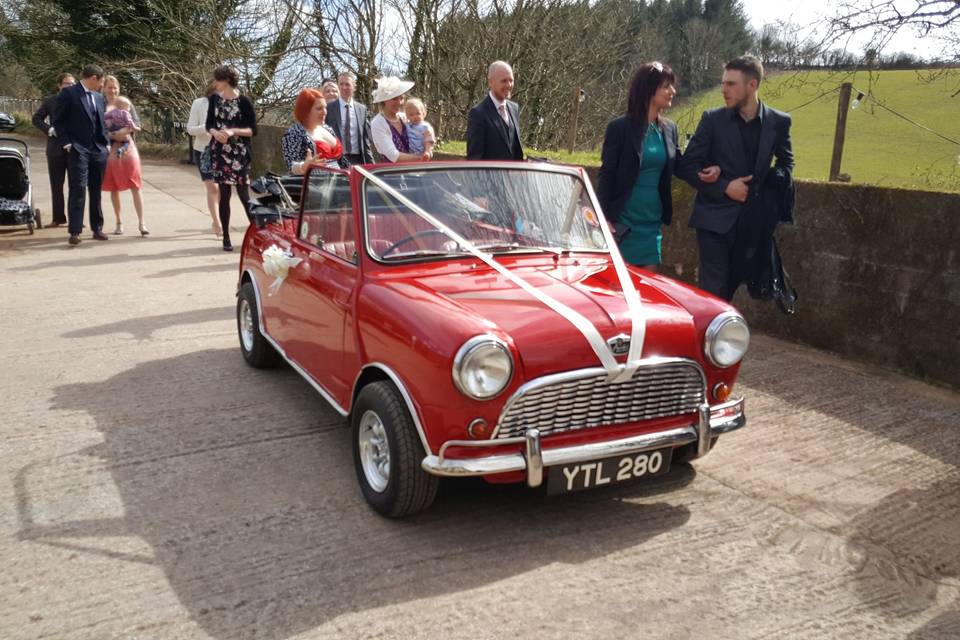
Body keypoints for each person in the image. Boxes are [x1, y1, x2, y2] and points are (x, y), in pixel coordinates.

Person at [676, 55, 794, 301]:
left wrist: (771, 181)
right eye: (723, 83)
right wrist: (724, 186)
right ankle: (708, 339)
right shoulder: (712, 119)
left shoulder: (779, 122)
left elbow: (786, 162)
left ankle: (723, 338)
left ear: (752, 85)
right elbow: (687, 166)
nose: (724, 90)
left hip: (754, 223)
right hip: (714, 220)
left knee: (740, 291)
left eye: (731, 84)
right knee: (714, 293)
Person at [597, 62, 717, 271]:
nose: (673, 91)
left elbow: (680, 165)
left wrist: (711, 170)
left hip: (651, 225)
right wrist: (603, 217)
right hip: (622, 224)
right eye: (666, 86)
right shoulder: (619, 128)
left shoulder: (669, 129)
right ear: (648, 89)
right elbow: (607, 175)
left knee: (645, 293)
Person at [52, 64, 110, 245]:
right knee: (77, 188)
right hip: (77, 148)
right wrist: (67, 143)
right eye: (101, 81)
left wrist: (106, 144)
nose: (101, 85)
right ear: (93, 78)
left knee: (96, 190)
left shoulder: (99, 98)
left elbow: (102, 123)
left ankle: (97, 228)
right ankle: (75, 231)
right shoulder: (69, 94)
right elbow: (58, 121)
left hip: (98, 150)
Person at [206, 65, 257, 252]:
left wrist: (232, 131)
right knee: (224, 194)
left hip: (240, 153)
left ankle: (257, 234)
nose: (214, 83)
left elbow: (253, 130)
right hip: (220, 152)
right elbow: (209, 123)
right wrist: (215, 132)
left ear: (226, 81)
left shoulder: (244, 101)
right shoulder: (214, 100)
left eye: (217, 80)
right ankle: (226, 237)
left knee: (244, 194)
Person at [101, 75, 148, 236]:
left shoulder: (125, 103)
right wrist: (112, 136)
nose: (112, 90)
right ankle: (119, 222)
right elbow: (98, 127)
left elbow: (136, 123)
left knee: (135, 183)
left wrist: (125, 131)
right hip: (110, 148)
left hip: (128, 146)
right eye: (109, 87)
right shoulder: (100, 105)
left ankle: (142, 223)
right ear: (104, 88)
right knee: (113, 186)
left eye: (115, 87)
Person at [31, 72, 75, 228]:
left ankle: (75, 219)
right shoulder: (50, 101)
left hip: (73, 149)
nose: (69, 86)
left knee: (75, 186)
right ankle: (58, 218)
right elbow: (36, 118)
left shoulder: (77, 101)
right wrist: (49, 129)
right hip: (54, 149)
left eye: (72, 84)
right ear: (60, 85)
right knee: (57, 186)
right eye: (66, 83)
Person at [466, 60, 523, 161]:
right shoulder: (478, 114)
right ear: (491, 82)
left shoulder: (514, 109)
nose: (509, 85)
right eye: (504, 81)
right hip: (490, 176)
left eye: (511, 80)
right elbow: (474, 159)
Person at [186, 82, 221, 237]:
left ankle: (220, 218)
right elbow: (190, 129)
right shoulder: (198, 103)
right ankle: (217, 221)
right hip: (203, 151)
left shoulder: (230, 104)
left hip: (223, 152)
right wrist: (206, 128)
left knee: (222, 189)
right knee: (212, 188)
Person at [282, 88, 343, 174]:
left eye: (325, 107)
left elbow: (342, 161)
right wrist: (303, 167)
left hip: (338, 181)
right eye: (319, 108)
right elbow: (291, 165)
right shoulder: (294, 133)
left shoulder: (328, 129)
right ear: (305, 111)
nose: (325, 112)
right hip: (314, 184)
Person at [369, 76, 430, 163]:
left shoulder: (405, 117)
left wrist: (428, 148)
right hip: (392, 173)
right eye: (394, 99)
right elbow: (393, 155)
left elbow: (423, 134)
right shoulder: (378, 123)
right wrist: (420, 157)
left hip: (415, 170)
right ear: (385, 100)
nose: (399, 102)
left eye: (401, 98)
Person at [325, 71, 375, 165]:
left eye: (347, 84)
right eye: (341, 84)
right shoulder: (329, 108)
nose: (344, 87)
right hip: (336, 160)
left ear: (354, 87)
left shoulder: (361, 109)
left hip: (358, 160)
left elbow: (365, 140)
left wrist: (371, 165)